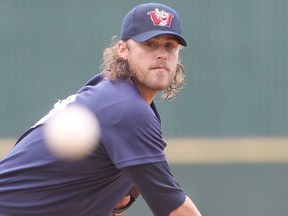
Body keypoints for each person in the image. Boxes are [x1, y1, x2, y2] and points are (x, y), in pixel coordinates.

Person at [0, 3, 202, 216]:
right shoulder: (127, 108)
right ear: (123, 50)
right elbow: (174, 209)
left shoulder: (113, 94)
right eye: (150, 44)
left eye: (170, 46)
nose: (161, 54)